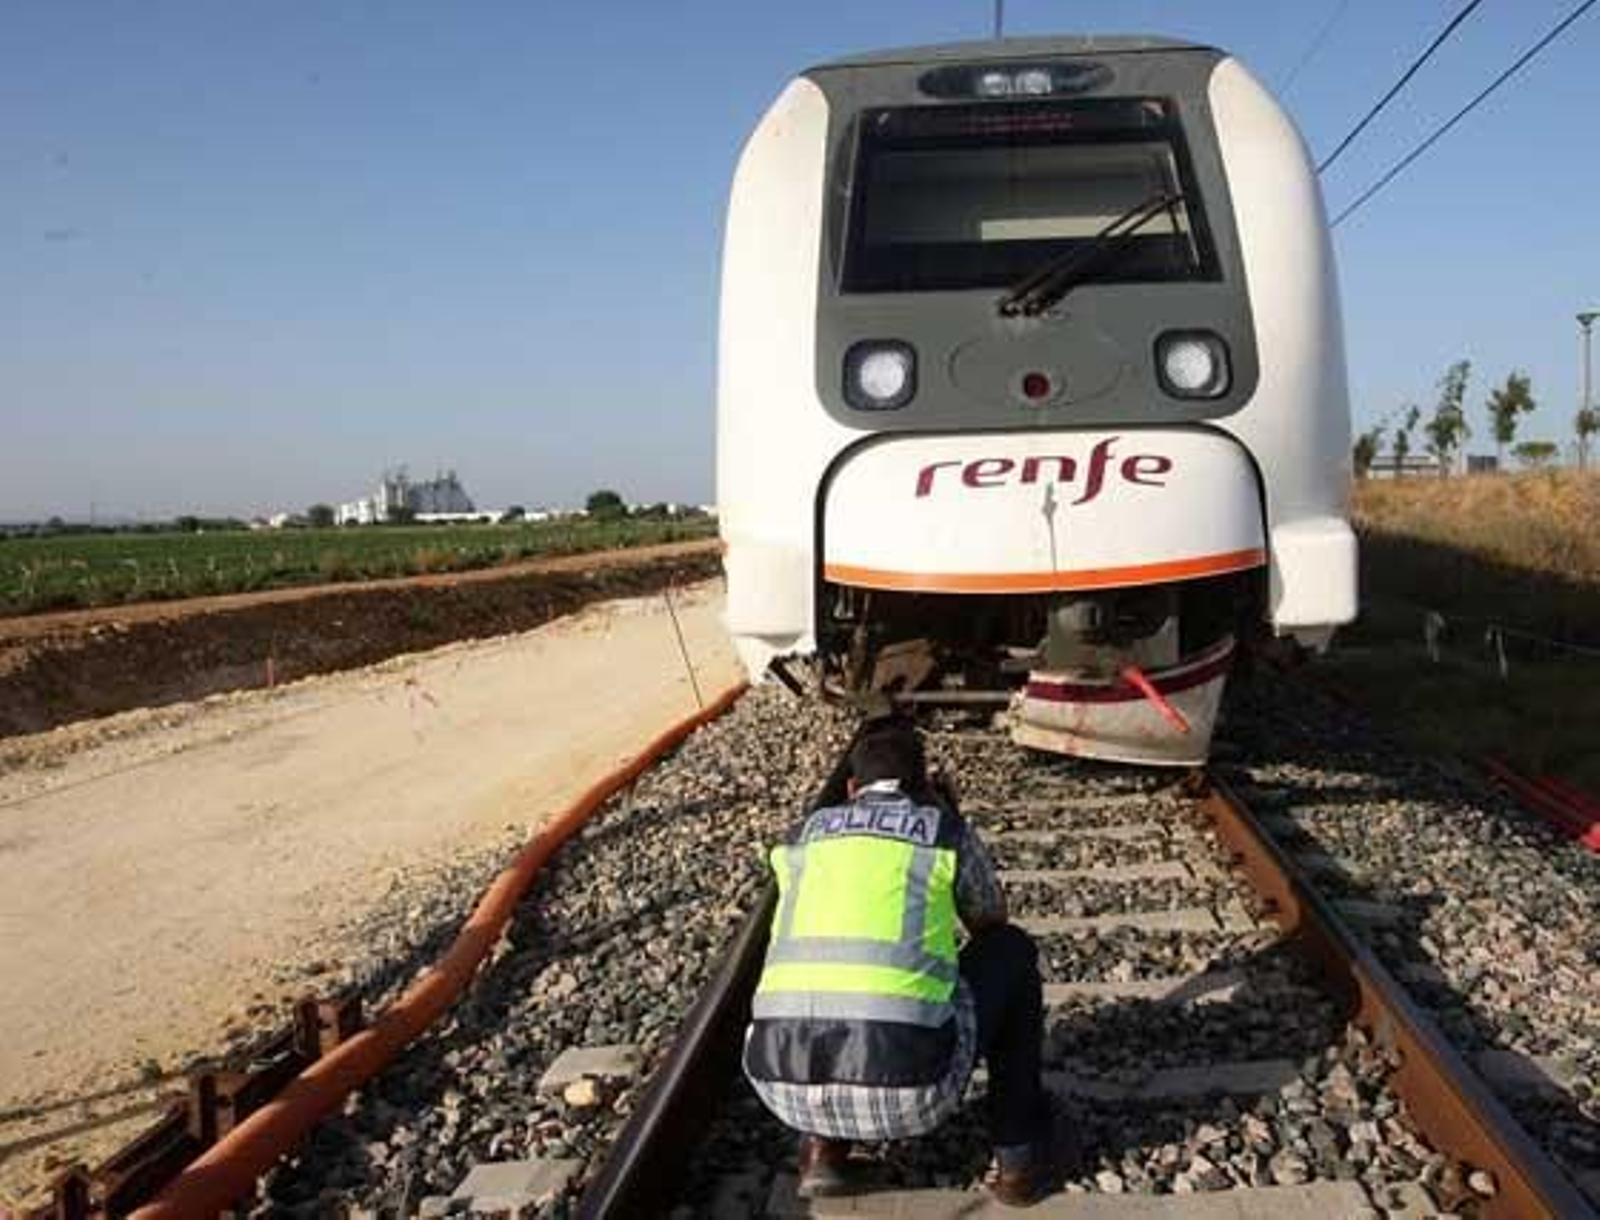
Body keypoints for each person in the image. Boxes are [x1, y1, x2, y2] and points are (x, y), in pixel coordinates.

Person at [742, 717, 1059, 1207]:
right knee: (1011, 951)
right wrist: (947, 815)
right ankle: (1018, 1160)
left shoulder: (800, 835)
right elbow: (990, 920)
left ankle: (821, 1157)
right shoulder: (941, 829)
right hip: (915, 1091)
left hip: (779, 1089)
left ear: (851, 789)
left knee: (827, 974)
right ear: (924, 785)